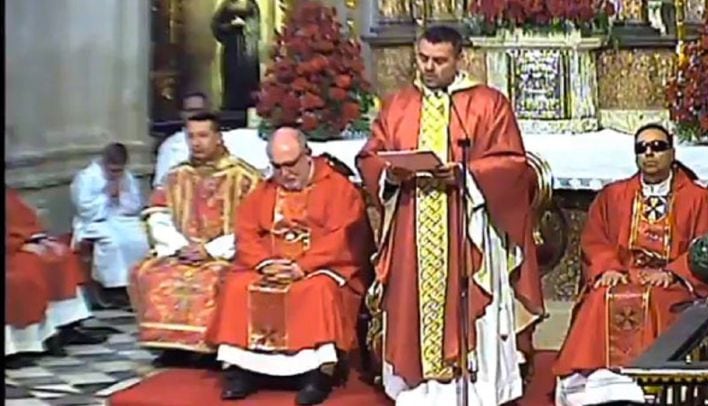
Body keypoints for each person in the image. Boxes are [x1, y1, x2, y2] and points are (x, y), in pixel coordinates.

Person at [355, 25, 543, 405]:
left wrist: (465, 174)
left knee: (472, 301)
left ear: (460, 59)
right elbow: (369, 156)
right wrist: (390, 173)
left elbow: (513, 164)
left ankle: (478, 388)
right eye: (422, 58)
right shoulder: (399, 104)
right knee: (411, 305)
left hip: (469, 223)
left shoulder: (487, 103)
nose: (428, 67)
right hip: (412, 223)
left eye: (439, 61)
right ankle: (419, 390)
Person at [553, 123, 708, 405]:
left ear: (672, 152)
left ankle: (647, 385)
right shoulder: (614, 195)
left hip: (670, 282)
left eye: (658, 147)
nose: (649, 153)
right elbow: (594, 239)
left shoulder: (696, 197)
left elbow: (706, 247)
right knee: (600, 299)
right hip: (624, 274)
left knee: (654, 300)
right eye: (642, 148)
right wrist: (608, 267)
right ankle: (594, 386)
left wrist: (674, 272)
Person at [207, 127, 375, 404]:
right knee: (237, 285)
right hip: (272, 266)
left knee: (317, 290)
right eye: (277, 167)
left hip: (321, 267)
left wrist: (302, 267)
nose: (285, 174)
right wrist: (264, 263)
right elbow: (246, 232)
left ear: (307, 155)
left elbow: (343, 237)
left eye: (291, 164)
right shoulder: (265, 191)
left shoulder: (338, 188)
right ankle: (243, 371)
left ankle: (316, 374)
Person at [129, 112, 262, 367]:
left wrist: (210, 250)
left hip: (224, 255)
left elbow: (253, 226)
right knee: (149, 273)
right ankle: (172, 347)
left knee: (215, 279)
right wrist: (179, 247)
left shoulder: (245, 178)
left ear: (219, 137)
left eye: (203, 135)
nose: (197, 142)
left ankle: (213, 348)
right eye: (191, 136)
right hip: (182, 252)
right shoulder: (176, 176)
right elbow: (157, 213)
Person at [5, 188, 105, 364]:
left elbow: (23, 222)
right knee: (24, 277)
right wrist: (20, 245)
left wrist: (39, 239)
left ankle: (66, 327)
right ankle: (21, 345)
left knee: (61, 258)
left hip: (18, 247)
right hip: (10, 254)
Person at [71, 143, 150, 299]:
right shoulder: (87, 177)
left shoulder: (127, 177)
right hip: (95, 221)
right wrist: (106, 196)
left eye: (120, 170)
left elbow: (134, 205)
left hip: (121, 218)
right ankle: (113, 289)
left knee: (139, 239)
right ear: (104, 163)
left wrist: (122, 197)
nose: (117, 174)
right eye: (113, 170)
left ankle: (136, 283)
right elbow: (84, 207)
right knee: (114, 242)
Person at [153, 92, 211, 188]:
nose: (197, 114)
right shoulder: (171, 146)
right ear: (182, 114)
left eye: (200, 110)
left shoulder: (224, 140)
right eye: (191, 110)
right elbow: (161, 186)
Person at [211, 0, 261, 111]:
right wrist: (230, 26)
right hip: (231, 50)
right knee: (231, 79)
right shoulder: (226, 6)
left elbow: (256, 27)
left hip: (248, 51)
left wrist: (246, 26)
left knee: (249, 79)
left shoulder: (251, 5)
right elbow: (216, 26)